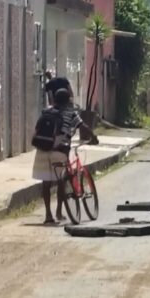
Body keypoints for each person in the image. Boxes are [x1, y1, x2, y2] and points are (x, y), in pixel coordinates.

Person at [32, 89, 98, 224]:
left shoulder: (46, 111)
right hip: (60, 151)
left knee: (46, 183)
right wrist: (94, 137)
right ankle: (59, 211)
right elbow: (83, 126)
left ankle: (48, 215)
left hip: (42, 149)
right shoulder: (70, 113)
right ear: (68, 101)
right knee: (62, 181)